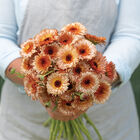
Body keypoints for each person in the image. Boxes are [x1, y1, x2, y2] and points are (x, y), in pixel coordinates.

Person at [0, 0, 140, 139]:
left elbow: (132, 34)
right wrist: (37, 82)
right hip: (24, 124)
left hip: (108, 118)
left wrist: (99, 80)